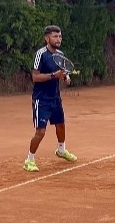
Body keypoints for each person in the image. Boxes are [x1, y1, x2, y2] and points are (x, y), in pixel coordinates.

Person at [24, 25, 78, 172]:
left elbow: (63, 71)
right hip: (41, 100)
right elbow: (34, 77)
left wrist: (66, 77)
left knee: (60, 124)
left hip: (55, 97)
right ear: (47, 38)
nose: (58, 39)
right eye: (55, 36)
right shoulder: (40, 54)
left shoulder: (60, 54)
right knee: (40, 132)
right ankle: (29, 160)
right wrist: (54, 75)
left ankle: (61, 150)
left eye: (60, 36)